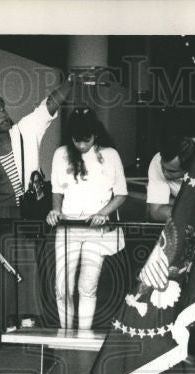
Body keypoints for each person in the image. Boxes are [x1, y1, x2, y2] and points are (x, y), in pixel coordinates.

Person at [0, 74, 76, 328]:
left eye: (3, 110)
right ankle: (8, 317)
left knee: (27, 263)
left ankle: (28, 315)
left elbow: (48, 105)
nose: (3, 115)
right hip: (2, 214)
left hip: (27, 210)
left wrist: (71, 82)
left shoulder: (25, 130)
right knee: (5, 267)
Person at [45, 108, 128, 330]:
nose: (81, 145)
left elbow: (121, 194)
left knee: (87, 286)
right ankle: (65, 333)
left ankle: (83, 334)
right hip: (67, 228)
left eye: (87, 140)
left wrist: (103, 212)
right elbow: (56, 190)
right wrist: (55, 210)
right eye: (77, 140)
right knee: (62, 287)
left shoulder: (110, 155)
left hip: (96, 230)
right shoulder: (61, 154)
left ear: (96, 134)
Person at [146, 135, 195, 221]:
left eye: (171, 171)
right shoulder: (157, 161)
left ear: (189, 169)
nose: (164, 173)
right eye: (163, 167)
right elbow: (156, 211)